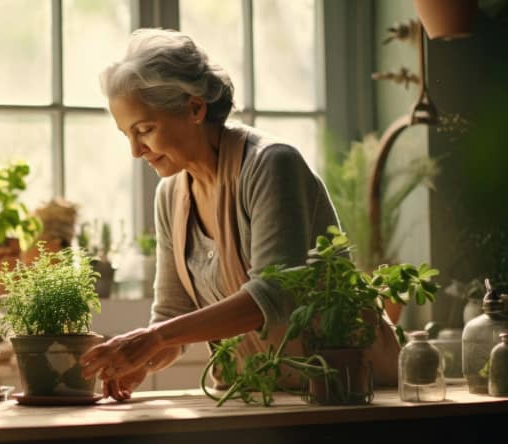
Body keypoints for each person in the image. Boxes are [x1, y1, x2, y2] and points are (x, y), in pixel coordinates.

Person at [80, 28, 401, 402]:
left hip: (344, 392)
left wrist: (154, 339)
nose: (137, 151)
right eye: (127, 135)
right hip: (256, 392)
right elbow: (171, 311)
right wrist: (144, 359)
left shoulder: (270, 165)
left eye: (145, 130)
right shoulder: (170, 195)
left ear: (195, 108)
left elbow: (273, 296)